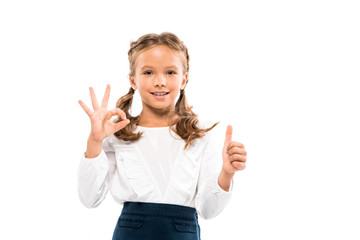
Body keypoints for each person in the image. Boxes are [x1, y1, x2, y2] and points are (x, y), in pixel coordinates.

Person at [77, 32, 247, 240]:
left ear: (184, 79)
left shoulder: (200, 136)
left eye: (170, 72)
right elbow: (89, 198)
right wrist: (95, 141)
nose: (159, 81)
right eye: (148, 72)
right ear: (133, 79)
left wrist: (226, 174)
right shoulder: (117, 134)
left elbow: (208, 210)